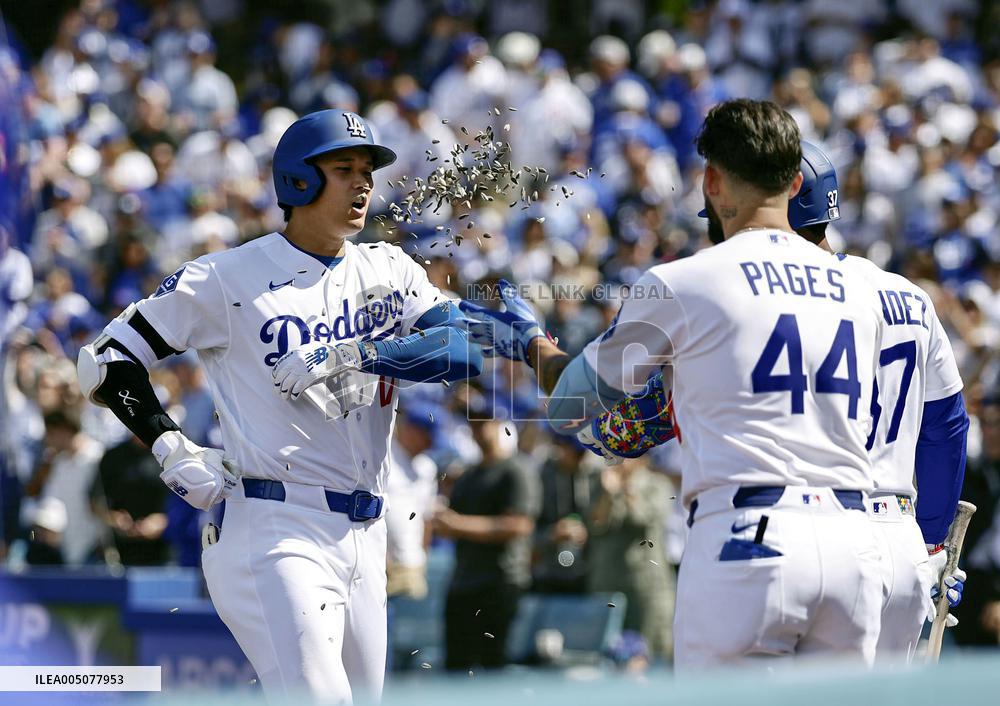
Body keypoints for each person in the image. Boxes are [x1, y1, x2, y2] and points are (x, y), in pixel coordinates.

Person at [461, 99, 888, 666]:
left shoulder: (685, 280)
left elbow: (571, 404)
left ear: (710, 181)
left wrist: (535, 345)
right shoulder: (864, 288)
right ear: (792, 181)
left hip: (749, 534)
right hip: (855, 542)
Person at [77, 109, 483, 703]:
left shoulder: (389, 266)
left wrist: (358, 352)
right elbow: (106, 359)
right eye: (343, 169)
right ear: (298, 181)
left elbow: (463, 350)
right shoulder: (226, 276)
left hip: (366, 530)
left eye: (367, 170)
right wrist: (169, 443)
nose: (363, 183)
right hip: (276, 522)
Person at [583, 141, 971, 661]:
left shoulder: (748, 289)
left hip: (780, 527)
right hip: (894, 537)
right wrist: (929, 544)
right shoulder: (904, 293)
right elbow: (946, 426)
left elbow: (632, 419)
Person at [431, 393, 540, 672]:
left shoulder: (516, 470)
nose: (480, 429)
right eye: (475, 423)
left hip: (500, 583)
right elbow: (451, 523)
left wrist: (457, 525)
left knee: (494, 667)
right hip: (464, 581)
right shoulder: (468, 475)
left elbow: (518, 525)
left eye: (486, 422)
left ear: (500, 424)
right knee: (456, 667)